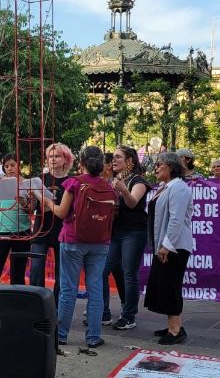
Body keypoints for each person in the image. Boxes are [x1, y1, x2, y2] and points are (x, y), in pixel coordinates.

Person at [45, 146, 112, 348]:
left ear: (81, 162)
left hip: (73, 240)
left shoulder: (74, 182)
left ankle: (61, 335)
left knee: (68, 289)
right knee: (95, 288)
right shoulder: (108, 186)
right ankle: (93, 337)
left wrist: (46, 201)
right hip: (100, 242)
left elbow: (61, 212)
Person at [144, 152, 194, 345]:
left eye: (159, 164)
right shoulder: (166, 187)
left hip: (175, 246)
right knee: (165, 285)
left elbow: (176, 219)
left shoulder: (179, 188)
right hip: (166, 244)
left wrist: (166, 245)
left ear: (171, 167)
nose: (156, 168)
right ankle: (175, 325)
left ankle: (176, 331)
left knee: (171, 286)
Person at [100, 146, 149, 330]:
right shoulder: (114, 180)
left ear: (130, 161)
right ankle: (103, 312)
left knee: (129, 274)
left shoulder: (138, 181)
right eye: (113, 157)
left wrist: (123, 190)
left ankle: (129, 316)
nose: (113, 160)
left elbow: (132, 202)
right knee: (102, 271)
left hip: (134, 232)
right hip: (116, 232)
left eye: (118, 157)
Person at [29, 142, 74, 302]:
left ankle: (57, 307)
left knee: (62, 273)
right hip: (41, 229)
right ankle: (37, 304)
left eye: (57, 156)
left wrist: (49, 204)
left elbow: (68, 208)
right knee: (36, 268)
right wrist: (28, 201)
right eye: (50, 156)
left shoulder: (72, 180)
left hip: (63, 230)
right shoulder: (39, 179)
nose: (53, 159)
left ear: (66, 159)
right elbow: (32, 207)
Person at [0, 153, 36, 285]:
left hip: (22, 231)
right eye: (6, 166)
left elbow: (31, 210)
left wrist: (23, 202)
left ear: (18, 165)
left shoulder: (28, 183)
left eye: (12, 165)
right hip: (1, 231)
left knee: (18, 271)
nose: (9, 168)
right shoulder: (0, 183)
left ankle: (17, 296)